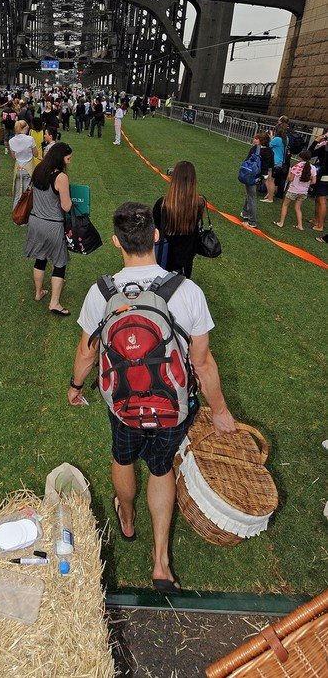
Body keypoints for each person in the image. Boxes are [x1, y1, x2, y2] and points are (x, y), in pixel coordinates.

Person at [67, 202, 236, 593]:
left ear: (115, 242)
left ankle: (126, 518)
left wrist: (76, 387)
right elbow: (203, 363)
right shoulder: (187, 291)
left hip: (123, 407)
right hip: (172, 407)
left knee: (122, 458)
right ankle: (161, 561)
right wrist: (221, 411)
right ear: (156, 237)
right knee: (161, 469)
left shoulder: (100, 292)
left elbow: (87, 352)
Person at [24, 142, 73, 315]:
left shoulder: (38, 170)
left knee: (40, 258)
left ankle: (38, 293)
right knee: (60, 263)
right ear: (60, 157)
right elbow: (66, 206)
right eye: (68, 158)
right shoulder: (61, 177)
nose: (69, 162)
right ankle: (54, 303)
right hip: (53, 224)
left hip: (35, 221)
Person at [152, 161, 206, 278]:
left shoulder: (162, 204)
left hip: (165, 255)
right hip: (186, 255)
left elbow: (155, 228)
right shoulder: (199, 203)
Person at [272, 150, 316, 231]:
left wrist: (289, 172)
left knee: (285, 205)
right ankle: (300, 225)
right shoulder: (313, 168)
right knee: (298, 208)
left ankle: (281, 223)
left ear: (301, 157)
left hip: (293, 190)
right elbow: (313, 181)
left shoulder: (296, 166)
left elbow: (290, 179)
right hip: (303, 192)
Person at [241, 132, 273, 229]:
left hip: (252, 176)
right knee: (250, 195)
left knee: (251, 197)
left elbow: (247, 161)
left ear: (261, 141)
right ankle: (245, 213)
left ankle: (252, 221)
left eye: (256, 138)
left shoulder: (255, 149)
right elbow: (271, 165)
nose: (254, 140)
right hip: (263, 177)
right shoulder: (270, 151)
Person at [9, 119, 38, 208]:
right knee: (27, 194)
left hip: (18, 169)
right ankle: (25, 214)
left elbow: (13, 156)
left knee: (17, 194)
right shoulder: (30, 139)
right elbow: (35, 154)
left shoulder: (11, 141)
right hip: (28, 169)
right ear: (25, 128)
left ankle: (16, 213)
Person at [262, 118, 289, 204]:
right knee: (271, 180)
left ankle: (270, 198)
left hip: (274, 161)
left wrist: (271, 137)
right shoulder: (286, 139)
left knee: (270, 180)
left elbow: (269, 145)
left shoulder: (277, 139)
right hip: (280, 162)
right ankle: (269, 195)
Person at [309, 129, 328, 233]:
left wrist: (316, 141)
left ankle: (320, 225)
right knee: (318, 198)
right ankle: (316, 220)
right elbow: (310, 153)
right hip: (322, 175)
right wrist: (316, 141)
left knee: (321, 199)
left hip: (324, 176)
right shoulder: (324, 148)